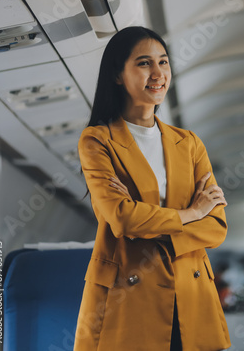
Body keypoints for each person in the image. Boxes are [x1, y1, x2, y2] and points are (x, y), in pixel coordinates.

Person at [73, 26, 231, 351]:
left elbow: (216, 226)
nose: (158, 73)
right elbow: (122, 218)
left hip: (191, 296)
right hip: (128, 299)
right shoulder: (97, 140)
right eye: (144, 63)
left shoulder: (188, 143)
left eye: (163, 62)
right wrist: (191, 213)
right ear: (118, 75)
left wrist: (166, 238)